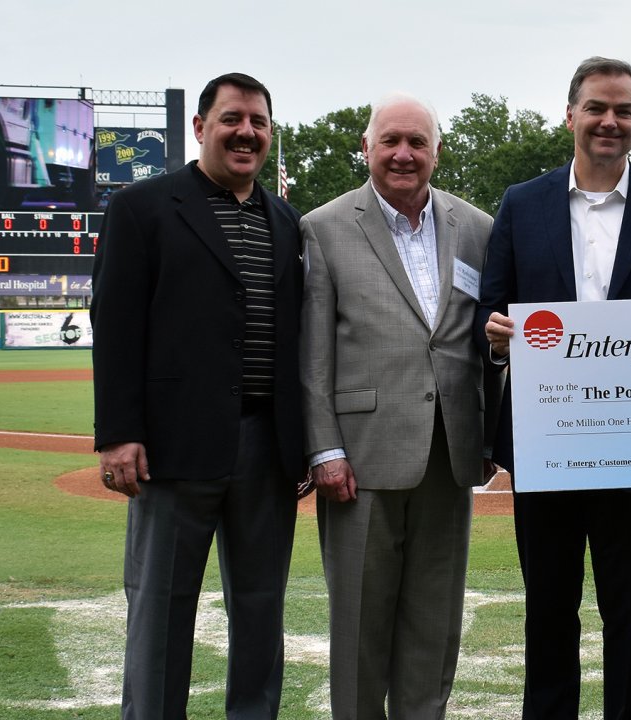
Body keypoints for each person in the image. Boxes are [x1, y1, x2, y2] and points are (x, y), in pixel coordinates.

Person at [475, 56, 631, 719]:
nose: (611, 121)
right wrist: (493, 332)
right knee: (548, 613)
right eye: (598, 107)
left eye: (624, 109)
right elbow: (491, 312)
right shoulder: (522, 204)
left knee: (629, 617)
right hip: (547, 446)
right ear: (570, 114)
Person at [91, 72, 305, 719]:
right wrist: (119, 431)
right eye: (233, 118)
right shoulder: (143, 208)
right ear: (200, 127)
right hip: (172, 448)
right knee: (159, 613)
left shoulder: (287, 222)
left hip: (269, 447)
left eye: (259, 122)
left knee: (261, 613)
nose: (247, 132)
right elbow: (116, 323)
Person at [299, 94, 495, 720]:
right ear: (367, 148)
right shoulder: (324, 227)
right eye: (390, 142)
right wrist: (325, 450)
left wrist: (488, 440)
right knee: (359, 626)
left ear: (437, 151)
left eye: (417, 142)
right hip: (359, 462)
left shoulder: (478, 227)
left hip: (450, 456)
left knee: (434, 627)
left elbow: (480, 343)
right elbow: (313, 355)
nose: (404, 155)